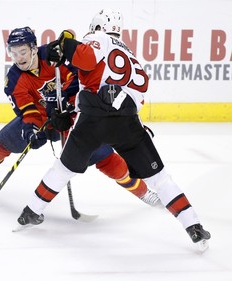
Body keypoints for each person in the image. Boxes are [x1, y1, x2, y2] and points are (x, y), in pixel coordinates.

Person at [16, 10, 211, 250]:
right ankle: (194, 227)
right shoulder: (130, 56)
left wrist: (66, 45)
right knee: (160, 178)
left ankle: (30, 212)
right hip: (127, 122)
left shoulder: (98, 39)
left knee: (63, 169)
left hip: (93, 119)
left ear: (97, 27)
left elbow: (85, 60)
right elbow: (133, 95)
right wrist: (72, 110)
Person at [0, 26, 161, 207]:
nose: (19, 58)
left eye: (23, 52)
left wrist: (69, 104)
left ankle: (144, 192)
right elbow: (28, 110)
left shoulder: (53, 54)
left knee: (104, 156)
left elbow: (80, 72)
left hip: (72, 114)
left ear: (34, 48)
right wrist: (31, 129)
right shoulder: (14, 79)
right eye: (14, 54)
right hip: (44, 120)